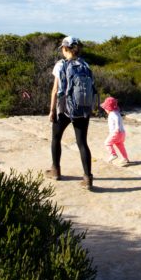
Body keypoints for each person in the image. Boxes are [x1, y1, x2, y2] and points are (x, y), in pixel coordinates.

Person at [46, 36, 95, 190]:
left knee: (56, 137)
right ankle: (87, 179)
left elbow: (55, 90)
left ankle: (55, 171)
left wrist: (52, 110)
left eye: (62, 48)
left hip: (64, 109)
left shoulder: (60, 65)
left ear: (65, 48)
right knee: (82, 143)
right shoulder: (85, 64)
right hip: (82, 108)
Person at [100, 96, 130, 166]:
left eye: (105, 108)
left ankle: (113, 154)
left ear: (108, 108)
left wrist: (117, 129)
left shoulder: (113, 114)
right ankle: (125, 158)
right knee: (120, 145)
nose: (105, 110)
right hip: (122, 133)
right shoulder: (117, 112)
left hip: (116, 132)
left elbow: (117, 120)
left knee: (107, 143)